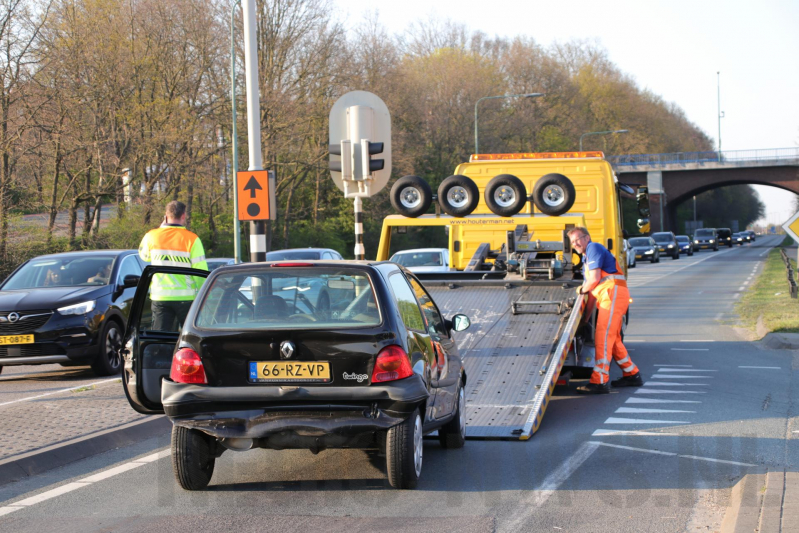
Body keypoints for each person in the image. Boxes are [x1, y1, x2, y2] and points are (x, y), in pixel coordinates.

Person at [568, 227, 643, 394]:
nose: (575, 244)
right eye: (572, 242)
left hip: (612, 293)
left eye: (578, 240)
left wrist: (580, 290)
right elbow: (593, 294)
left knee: (603, 337)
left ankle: (599, 382)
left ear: (587, 238)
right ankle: (632, 374)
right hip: (610, 295)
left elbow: (593, 281)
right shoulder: (588, 260)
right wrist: (586, 318)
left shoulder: (593, 248)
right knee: (613, 339)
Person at [139, 201, 208, 331]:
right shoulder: (192, 239)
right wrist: (204, 295)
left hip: (160, 297)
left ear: (166, 216)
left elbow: (144, 256)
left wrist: (160, 229)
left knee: (160, 338)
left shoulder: (151, 236)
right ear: (183, 216)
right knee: (191, 336)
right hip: (186, 298)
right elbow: (200, 272)